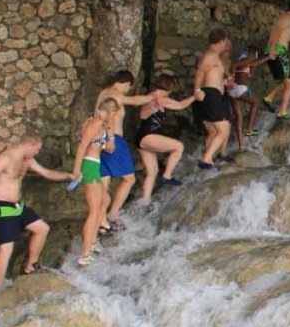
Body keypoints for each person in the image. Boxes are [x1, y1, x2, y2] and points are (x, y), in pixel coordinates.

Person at [0, 136, 74, 284]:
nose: (37, 152)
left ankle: (30, 267)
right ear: (29, 144)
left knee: (42, 229)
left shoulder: (27, 160)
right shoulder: (6, 158)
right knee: (6, 248)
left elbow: (47, 173)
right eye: (37, 149)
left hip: (17, 207)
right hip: (1, 207)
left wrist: (68, 175)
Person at [94, 69, 156, 231]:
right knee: (129, 179)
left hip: (100, 140)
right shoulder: (116, 95)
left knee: (105, 180)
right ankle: (112, 214)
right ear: (126, 83)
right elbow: (134, 101)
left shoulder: (103, 93)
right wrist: (152, 97)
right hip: (113, 140)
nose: (128, 89)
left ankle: (101, 222)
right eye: (129, 86)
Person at [136, 74, 199, 201]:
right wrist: (154, 107)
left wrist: (194, 97)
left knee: (152, 172)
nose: (170, 93)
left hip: (142, 138)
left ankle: (144, 202)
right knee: (179, 147)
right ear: (167, 88)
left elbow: (180, 105)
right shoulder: (151, 98)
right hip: (147, 136)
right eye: (170, 90)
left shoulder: (163, 99)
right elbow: (142, 115)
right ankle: (167, 176)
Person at [72, 99, 118, 267]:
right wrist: (77, 170)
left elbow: (110, 148)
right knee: (94, 209)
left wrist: (110, 130)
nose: (115, 116)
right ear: (111, 111)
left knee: (105, 200)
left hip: (95, 165)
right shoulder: (95, 123)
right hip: (89, 165)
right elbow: (82, 146)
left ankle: (92, 241)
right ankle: (85, 253)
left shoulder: (102, 124)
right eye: (115, 113)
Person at [193, 28, 233, 170]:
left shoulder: (215, 56)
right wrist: (197, 90)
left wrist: (224, 83)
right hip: (211, 95)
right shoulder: (209, 55)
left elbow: (212, 77)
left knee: (213, 132)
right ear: (221, 41)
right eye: (225, 41)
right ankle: (206, 159)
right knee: (223, 131)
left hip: (212, 94)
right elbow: (200, 73)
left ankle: (209, 160)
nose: (226, 44)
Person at [229, 42, 263, 148]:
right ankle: (249, 129)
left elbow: (253, 65)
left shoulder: (243, 59)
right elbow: (234, 65)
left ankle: (241, 146)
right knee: (255, 102)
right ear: (252, 52)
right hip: (239, 88)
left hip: (232, 91)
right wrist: (232, 79)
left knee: (239, 118)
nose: (254, 57)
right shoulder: (250, 57)